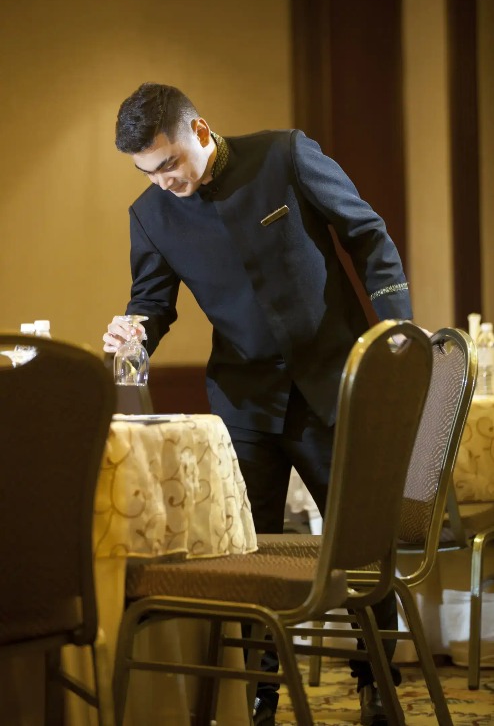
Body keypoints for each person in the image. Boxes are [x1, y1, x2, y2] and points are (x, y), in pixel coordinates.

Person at [104, 82, 414, 726]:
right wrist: (134, 328)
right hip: (244, 403)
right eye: (148, 172)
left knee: (362, 551)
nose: (163, 181)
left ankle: (376, 684)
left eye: (170, 164)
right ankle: (259, 698)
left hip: (337, 387)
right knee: (248, 556)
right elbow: (153, 305)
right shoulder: (149, 215)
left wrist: (393, 340)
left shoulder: (286, 157)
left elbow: (367, 233)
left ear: (202, 131)